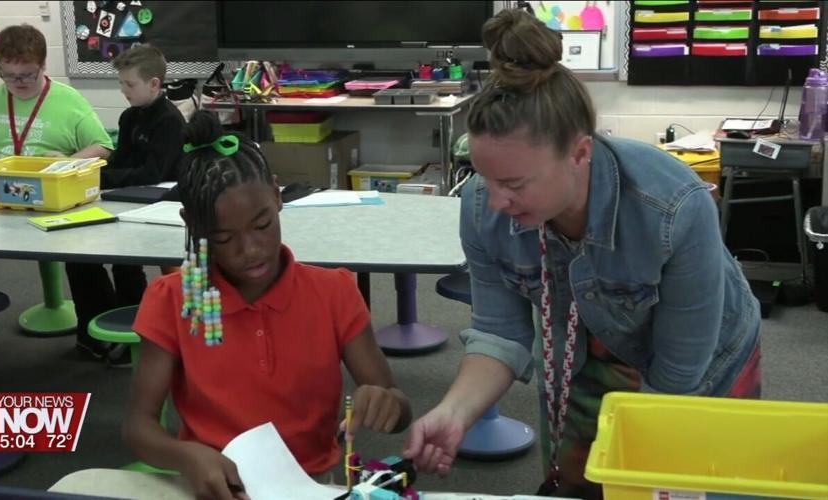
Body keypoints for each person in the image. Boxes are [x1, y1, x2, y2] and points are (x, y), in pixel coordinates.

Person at [403, 9, 762, 499]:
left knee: (688, 484)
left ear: (579, 153)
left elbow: (678, 379)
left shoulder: (672, 207)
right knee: (581, 485)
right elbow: (500, 332)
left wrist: (646, 475)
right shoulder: (483, 206)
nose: (496, 200)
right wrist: (454, 412)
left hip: (703, 359)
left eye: (514, 183)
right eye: (485, 177)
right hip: (582, 346)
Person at [123, 110, 411, 500]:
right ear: (192, 223)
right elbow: (139, 427)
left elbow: (397, 406)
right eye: (223, 238)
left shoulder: (335, 293)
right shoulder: (171, 301)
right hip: (215, 488)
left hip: (311, 487)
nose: (250, 249)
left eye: (262, 225)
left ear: (277, 195)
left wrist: (386, 403)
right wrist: (185, 456)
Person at [0, 24, 112, 294]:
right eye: (8, 76)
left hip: (56, 201)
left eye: (27, 75)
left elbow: (102, 146)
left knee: (84, 260)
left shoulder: (69, 100)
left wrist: (66, 163)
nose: (18, 83)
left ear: (43, 65)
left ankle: (94, 322)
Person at [64, 45, 186, 366]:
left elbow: (152, 174)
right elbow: (121, 162)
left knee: (125, 263)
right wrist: (87, 171)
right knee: (77, 258)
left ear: (154, 84)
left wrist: (102, 177)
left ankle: (133, 332)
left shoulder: (170, 121)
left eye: (129, 84)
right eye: (121, 83)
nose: (123, 90)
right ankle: (97, 330)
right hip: (124, 201)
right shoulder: (129, 116)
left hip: (157, 210)